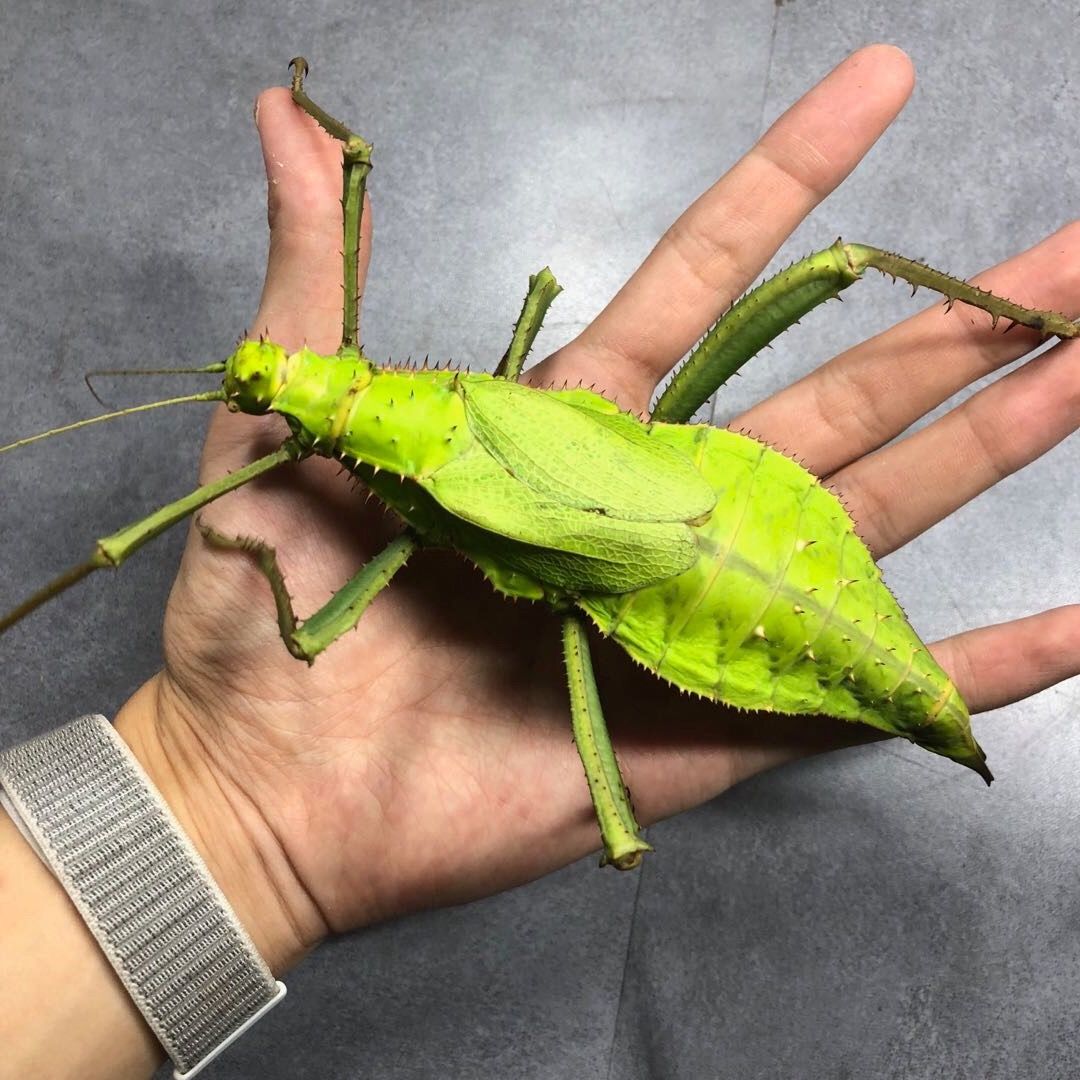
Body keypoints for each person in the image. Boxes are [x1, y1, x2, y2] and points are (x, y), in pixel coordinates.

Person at [2, 43, 1077, 1078]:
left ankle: (1035, 323)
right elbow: (359, 156)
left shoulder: (367, 485)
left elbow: (304, 632)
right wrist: (218, 798)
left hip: (715, 560)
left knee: (841, 264)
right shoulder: (430, 419)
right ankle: (1034, 328)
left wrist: (250, 659)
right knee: (852, 259)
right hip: (739, 532)